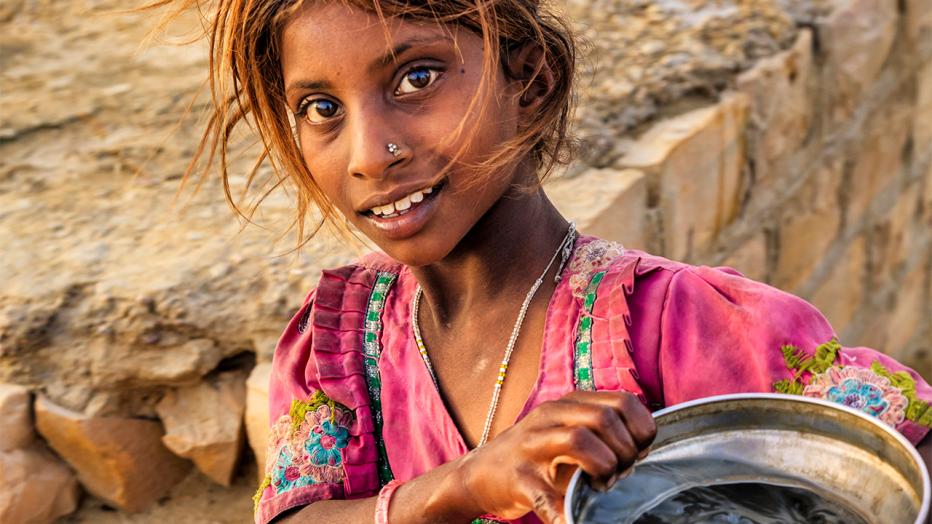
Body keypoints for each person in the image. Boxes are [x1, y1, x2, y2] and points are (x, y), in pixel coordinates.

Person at [155, 0, 932, 522]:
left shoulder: (684, 326)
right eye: (322, 109)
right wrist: (455, 488)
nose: (369, 153)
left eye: (416, 78)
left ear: (529, 81)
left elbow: (901, 459)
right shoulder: (340, 348)